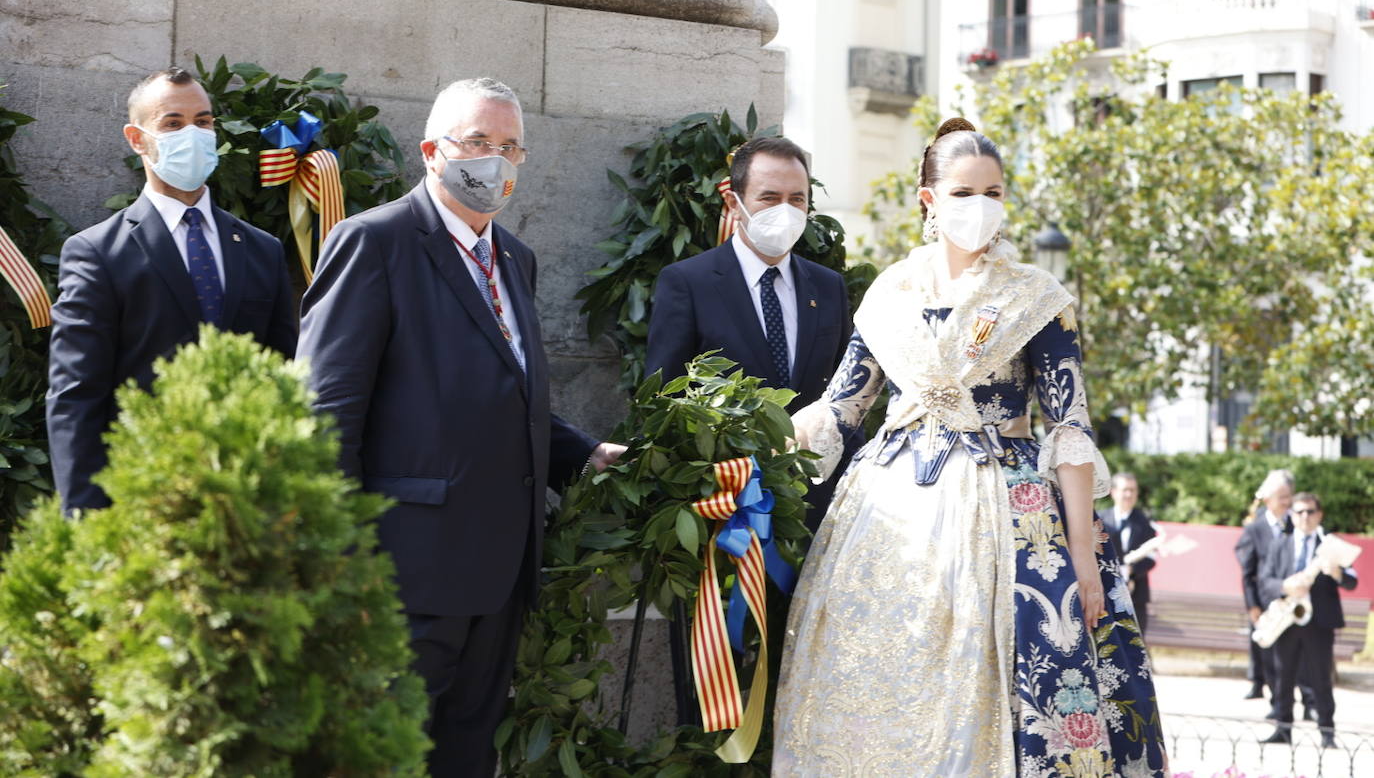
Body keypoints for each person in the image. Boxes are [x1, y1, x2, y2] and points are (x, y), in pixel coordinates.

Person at [772, 118, 1167, 776]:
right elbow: (843, 408)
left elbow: (1070, 429)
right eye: (962, 193)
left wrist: (1081, 555)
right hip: (886, 508)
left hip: (1006, 504)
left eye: (994, 192)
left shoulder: (1036, 298)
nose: (980, 207)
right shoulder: (889, 294)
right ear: (928, 200)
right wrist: (754, 457)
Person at [296, 78, 624, 778]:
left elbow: (508, 389)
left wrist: (585, 451)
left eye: (510, 147)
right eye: (479, 143)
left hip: (499, 575)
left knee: (464, 757)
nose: (495, 161)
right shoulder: (374, 243)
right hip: (400, 574)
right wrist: (339, 564)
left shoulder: (517, 259)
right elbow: (325, 414)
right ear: (431, 151)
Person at [47, 67, 296, 512]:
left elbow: (285, 376)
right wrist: (84, 518)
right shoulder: (97, 252)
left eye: (203, 122)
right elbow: (76, 394)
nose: (193, 134)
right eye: (173, 123)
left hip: (248, 501)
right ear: (136, 138)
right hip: (139, 496)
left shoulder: (262, 249)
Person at [645, 135, 852, 531]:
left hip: (817, 510)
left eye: (797, 199)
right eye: (769, 198)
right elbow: (663, 402)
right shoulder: (689, 283)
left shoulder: (827, 287)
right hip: (723, 511)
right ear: (733, 203)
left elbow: (845, 398)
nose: (785, 210)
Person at [1258, 491, 1358, 748]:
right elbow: (1264, 582)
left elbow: (1352, 580)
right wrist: (1285, 585)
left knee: (1321, 679)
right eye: (1299, 512)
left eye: (1310, 512)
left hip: (1318, 623)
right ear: (1292, 515)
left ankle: (1326, 732)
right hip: (1286, 621)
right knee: (1283, 677)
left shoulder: (1330, 544)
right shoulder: (1280, 544)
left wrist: (1336, 572)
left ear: (1319, 515)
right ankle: (1282, 729)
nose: (1305, 517)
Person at [1235, 468, 1294, 702]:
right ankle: (1271, 695)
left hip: (1290, 600)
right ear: (1268, 499)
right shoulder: (1255, 528)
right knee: (1265, 651)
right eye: (1281, 497)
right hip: (1263, 598)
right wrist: (1252, 605)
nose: (1286, 503)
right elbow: (1247, 572)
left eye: (1289, 496)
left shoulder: (1296, 524)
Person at [1099, 472, 1159, 634]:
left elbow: (1152, 557)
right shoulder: (1100, 518)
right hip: (1105, 593)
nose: (1129, 494)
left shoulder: (1144, 521)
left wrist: (1132, 572)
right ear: (1113, 492)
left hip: (1136, 595)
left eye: (1133, 490)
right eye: (1125, 489)